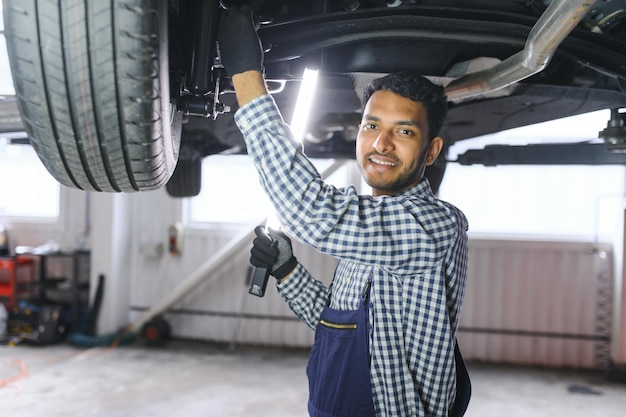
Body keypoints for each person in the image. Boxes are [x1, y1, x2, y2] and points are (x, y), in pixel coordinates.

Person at [217, 6, 469, 417]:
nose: (381, 144)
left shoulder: (434, 225)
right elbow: (338, 326)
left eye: (404, 131)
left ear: (432, 151)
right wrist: (287, 271)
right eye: (372, 126)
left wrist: (246, 76)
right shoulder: (370, 227)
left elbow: (311, 210)